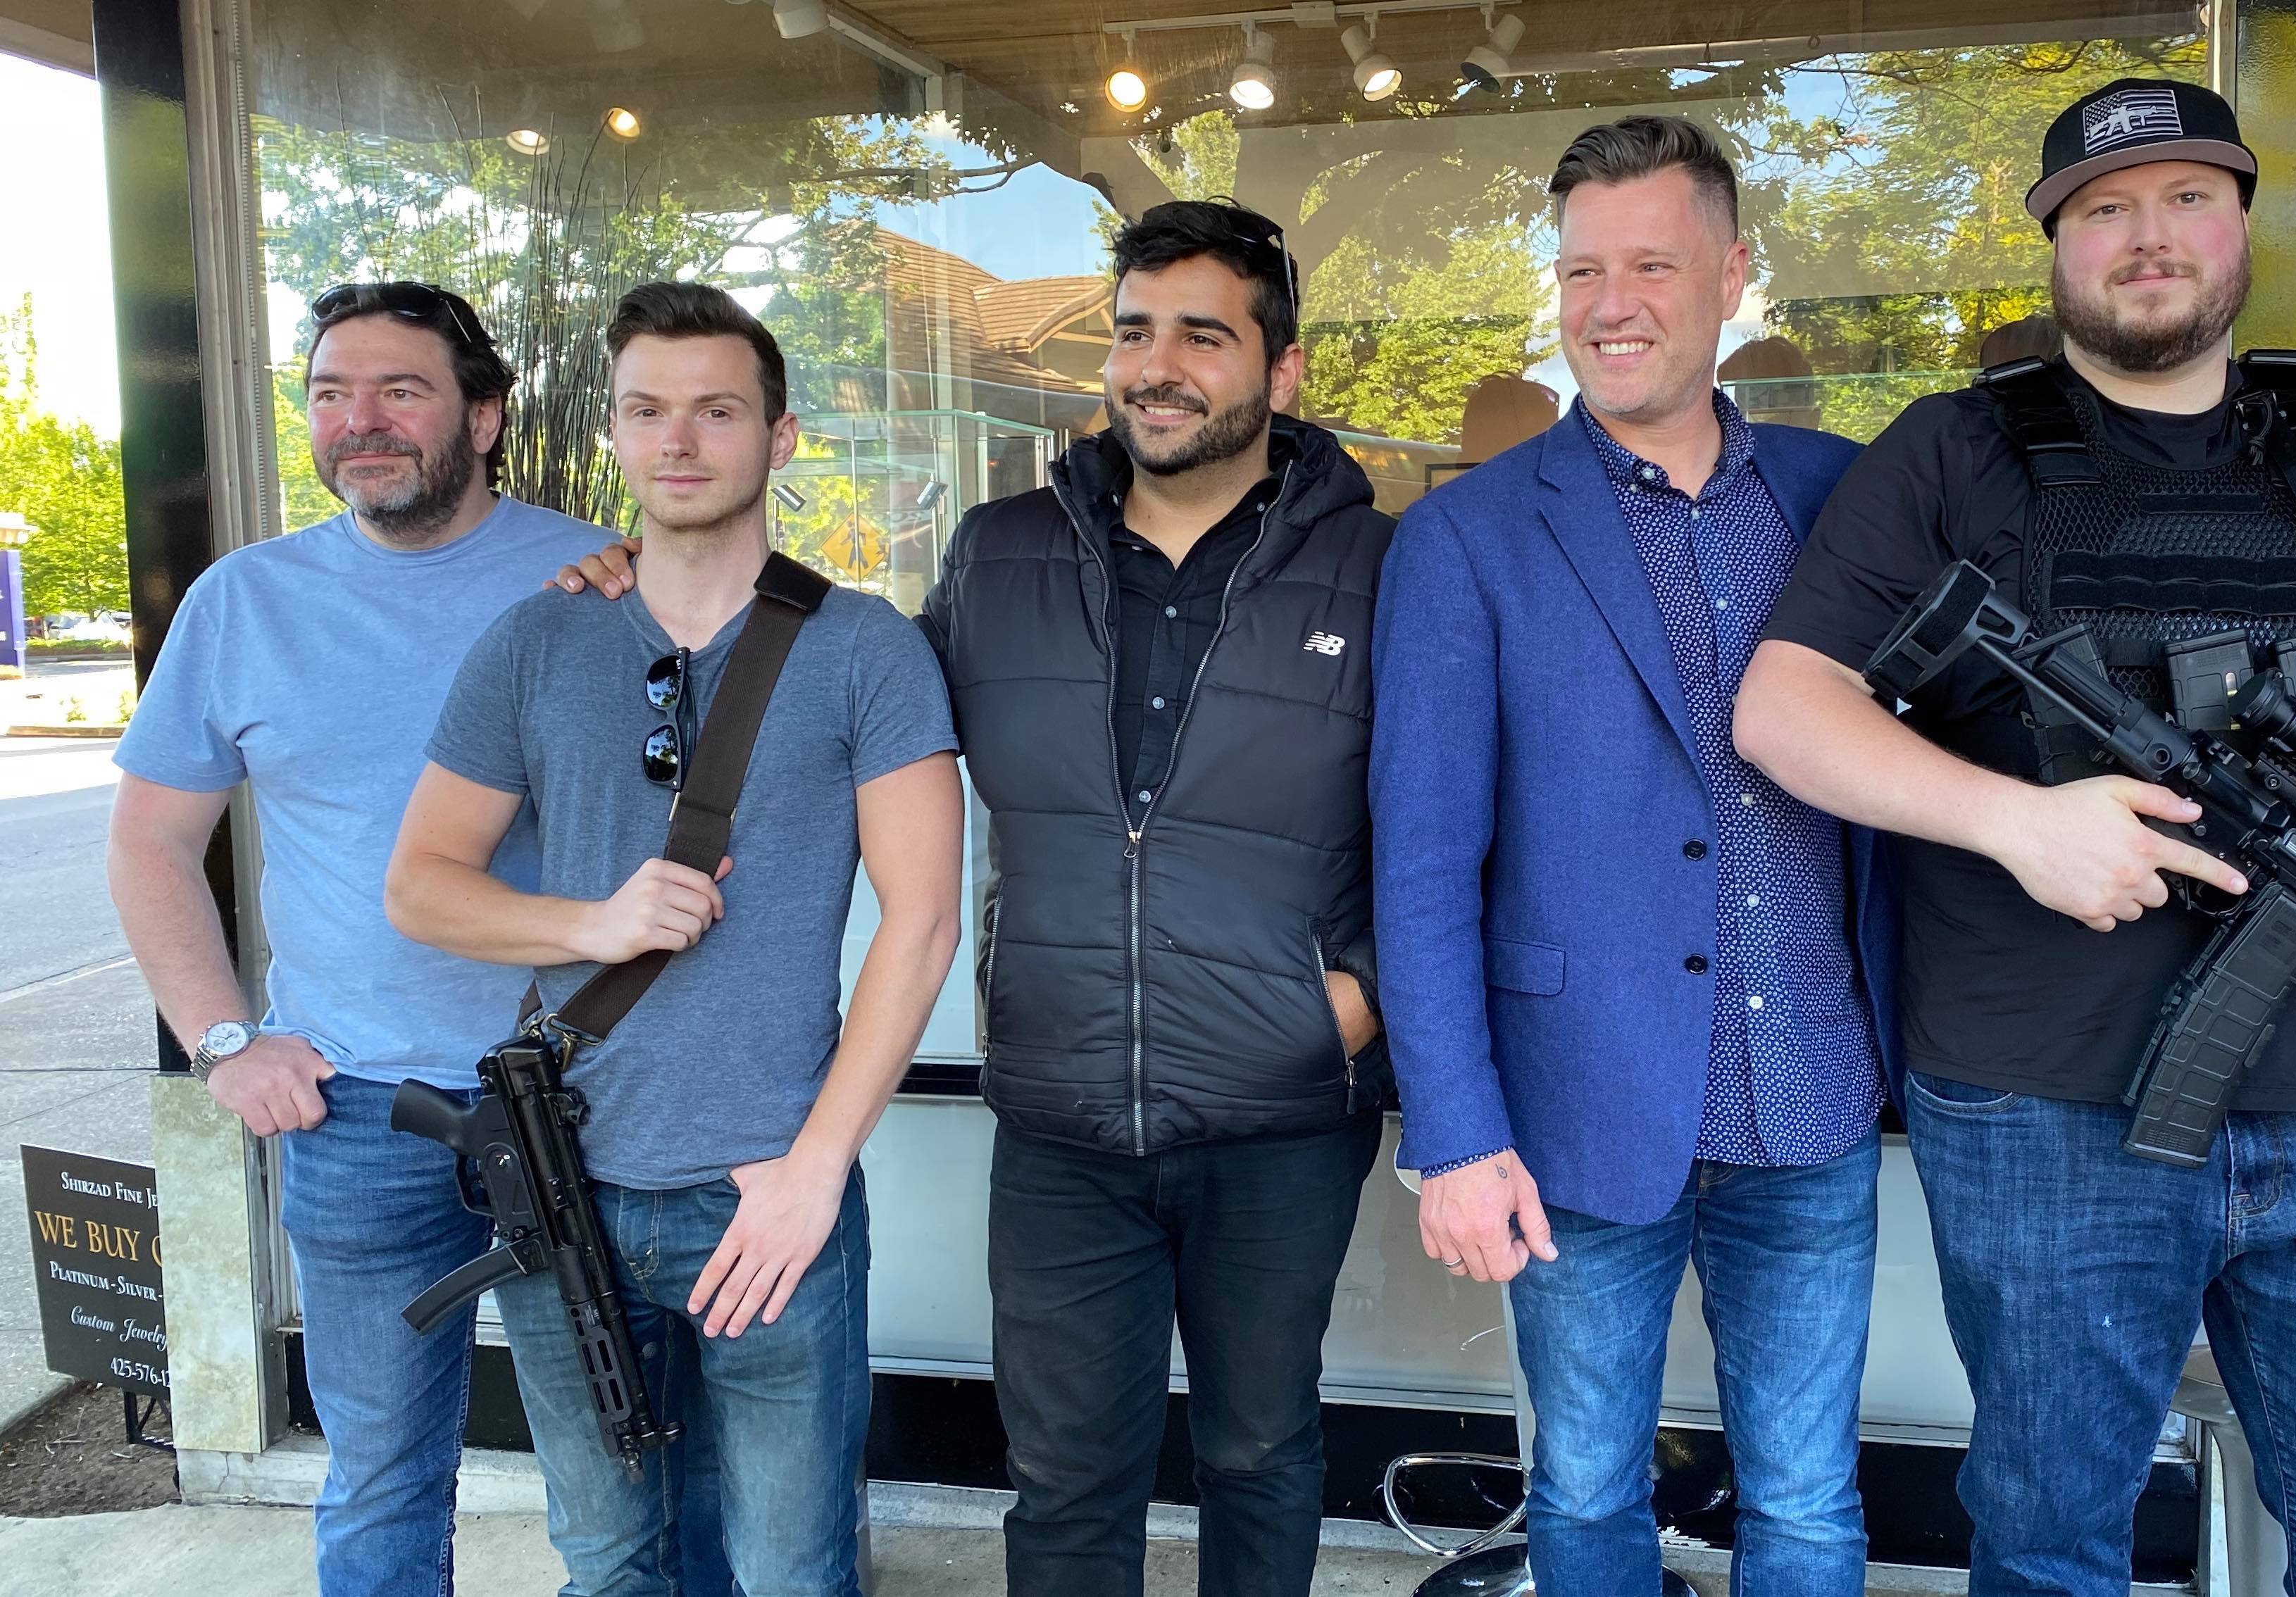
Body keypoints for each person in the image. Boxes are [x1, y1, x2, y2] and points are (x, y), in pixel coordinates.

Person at [1733, 78, 2296, 1593]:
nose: (2145, 236)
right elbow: (1785, 705)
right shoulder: (1954, 451)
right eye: (2104, 209)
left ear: (2241, 222)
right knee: (2049, 1547)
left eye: (2183, 198)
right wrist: (2018, 822)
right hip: (2046, 1106)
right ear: (2056, 246)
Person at [553, 201, 1394, 1597]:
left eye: (1204, 332)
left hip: (1282, 1113)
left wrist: (1354, 1009)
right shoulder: (1002, 553)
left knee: (1261, 1455)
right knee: (1065, 1484)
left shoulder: (1381, 569)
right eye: (1134, 332)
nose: (1158, 364)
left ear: (1282, 372)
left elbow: (1443, 828)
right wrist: (652, 575)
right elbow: (858, 706)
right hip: (1062, 1118)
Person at [104, 282, 728, 1596]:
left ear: (484, 415)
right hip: (359, 1115)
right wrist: (225, 1042)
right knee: (381, 1478)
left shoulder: (605, 574)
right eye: (331, 392)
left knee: (626, 1472)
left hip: (586, 1105)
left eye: (401, 390)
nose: (360, 421)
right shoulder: (244, 603)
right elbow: (153, 843)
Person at [1371, 117, 1901, 1596]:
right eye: (1582, 268)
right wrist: (1455, 1136)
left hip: (1810, 1086)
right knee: (1588, 1492)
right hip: (1574, 1105)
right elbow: (1422, 864)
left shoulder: (1838, 495)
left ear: (1734, 276)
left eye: (1652, 264)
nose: (1611, 302)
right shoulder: (1470, 536)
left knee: (1806, 1500)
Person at [385, 281, 964, 1596]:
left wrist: (816, 1169)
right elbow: (422, 884)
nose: (681, 440)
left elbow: (922, 923)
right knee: (606, 1561)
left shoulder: (867, 649)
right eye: (647, 411)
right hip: (564, 1181)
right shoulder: (539, 638)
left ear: (782, 435)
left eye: (717, 410)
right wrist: (593, 921)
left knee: (789, 1569)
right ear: (614, 434)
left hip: (764, 1191)